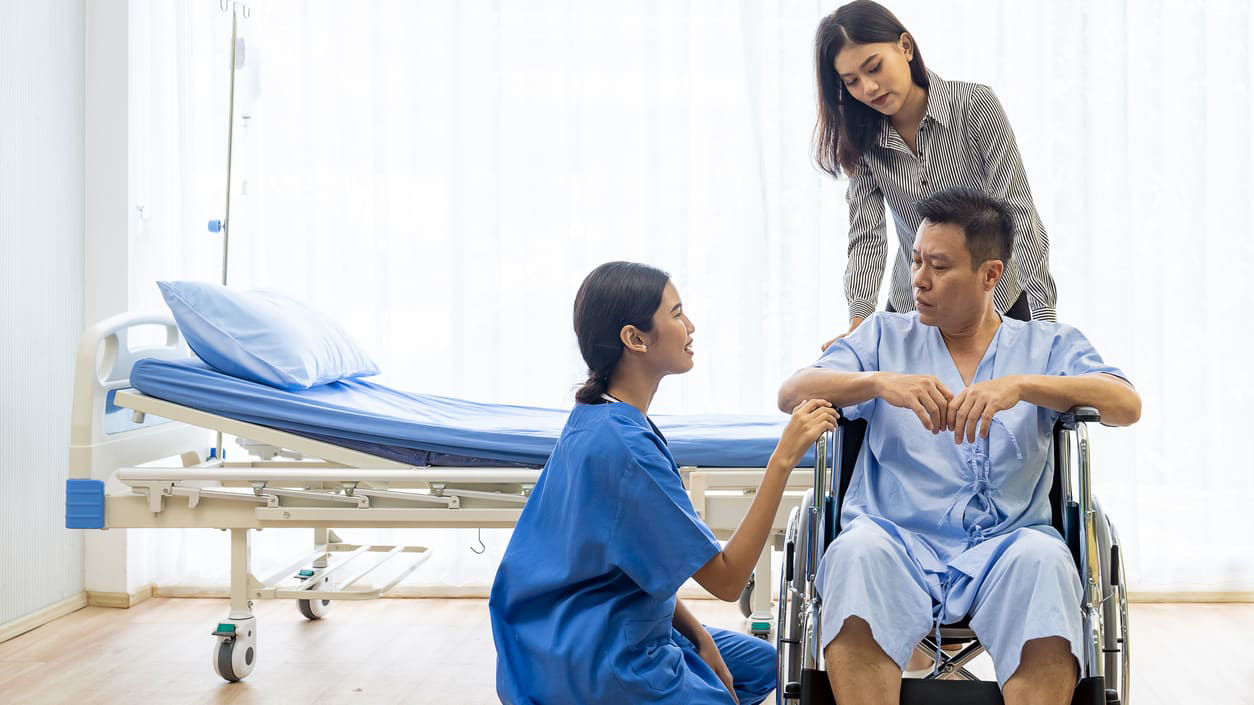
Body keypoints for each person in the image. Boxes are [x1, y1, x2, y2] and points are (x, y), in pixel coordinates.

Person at [777, 187, 1140, 705]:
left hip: (1008, 546)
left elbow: (1125, 405)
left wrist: (1024, 386)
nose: (918, 280)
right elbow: (790, 393)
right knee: (854, 554)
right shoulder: (884, 337)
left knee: (1046, 561)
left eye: (939, 267)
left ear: (990, 275)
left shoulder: (1045, 346)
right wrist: (878, 383)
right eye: (916, 260)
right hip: (893, 540)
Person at [490, 261, 839, 705]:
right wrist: (784, 457)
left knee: (757, 665)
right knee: (733, 686)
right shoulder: (625, 449)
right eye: (676, 314)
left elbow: (623, 563)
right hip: (600, 657)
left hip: (565, 633)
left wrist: (699, 637)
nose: (690, 326)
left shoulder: (596, 417)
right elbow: (728, 582)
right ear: (635, 339)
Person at [814, 0, 1058, 352]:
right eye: (851, 81)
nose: (868, 88)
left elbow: (1018, 213)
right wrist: (860, 323)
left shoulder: (974, 105)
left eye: (875, 67)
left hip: (995, 302)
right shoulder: (864, 140)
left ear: (905, 47)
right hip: (914, 306)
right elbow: (867, 236)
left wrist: (1045, 321)